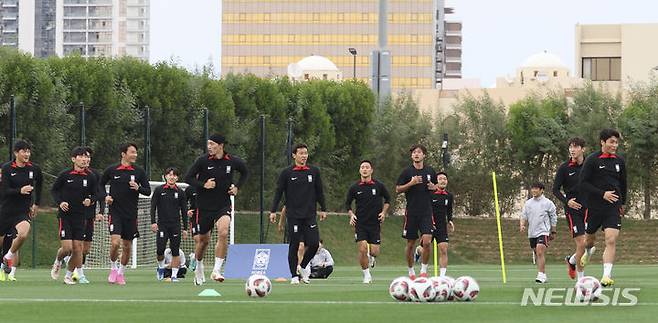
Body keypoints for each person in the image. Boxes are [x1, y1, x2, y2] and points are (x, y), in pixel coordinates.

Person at [185, 134, 248, 285]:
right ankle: (199, 266)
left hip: (223, 205)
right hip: (204, 207)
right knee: (203, 241)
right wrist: (203, 184)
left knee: (224, 231)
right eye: (208, 144)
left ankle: (216, 270)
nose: (209, 147)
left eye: (212, 144)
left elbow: (245, 172)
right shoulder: (202, 161)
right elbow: (188, 178)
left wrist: (237, 187)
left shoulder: (232, 161)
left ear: (221, 145)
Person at [269, 143, 327, 284]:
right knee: (294, 245)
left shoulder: (314, 171)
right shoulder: (287, 173)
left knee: (314, 244)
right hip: (293, 215)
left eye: (305, 153)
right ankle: (293, 276)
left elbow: (319, 191)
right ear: (294, 155)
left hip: (309, 215)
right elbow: (278, 192)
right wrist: (273, 211)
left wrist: (324, 208)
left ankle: (302, 266)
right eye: (301, 153)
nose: (304, 156)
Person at [579, 129, 626, 287]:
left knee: (611, 239)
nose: (615, 145)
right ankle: (588, 251)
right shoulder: (592, 160)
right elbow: (583, 183)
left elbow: (623, 184)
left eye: (616, 142)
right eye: (612, 142)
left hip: (613, 207)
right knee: (589, 240)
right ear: (602, 142)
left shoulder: (620, 161)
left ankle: (606, 276)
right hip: (594, 207)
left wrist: (622, 203)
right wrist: (602, 194)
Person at [100, 143, 151, 285]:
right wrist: (106, 196)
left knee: (127, 246)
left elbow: (147, 191)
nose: (135, 155)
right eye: (132, 152)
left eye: (136, 152)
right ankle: (113, 268)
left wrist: (138, 188)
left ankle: (121, 272)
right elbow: (100, 184)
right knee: (115, 243)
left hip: (131, 214)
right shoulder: (112, 170)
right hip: (115, 212)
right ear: (123, 154)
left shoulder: (139, 172)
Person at [51, 147, 100, 285]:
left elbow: (97, 193)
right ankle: (58, 260)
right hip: (65, 216)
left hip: (81, 216)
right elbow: (54, 190)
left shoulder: (90, 176)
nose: (85, 159)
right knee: (67, 249)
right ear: (73, 159)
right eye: (82, 156)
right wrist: (60, 202)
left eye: (87, 157)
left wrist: (91, 200)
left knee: (78, 249)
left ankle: (68, 276)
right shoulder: (65, 175)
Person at [0, 140, 43, 278]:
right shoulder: (6, 168)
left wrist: (36, 203)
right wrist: (20, 190)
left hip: (22, 211)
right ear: (16, 153)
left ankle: (8, 256)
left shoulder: (34, 169)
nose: (27, 154)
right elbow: (5, 191)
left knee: (23, 234)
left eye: (28, 151)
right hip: (5, 210)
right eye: (24, 151)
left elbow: (40, 183)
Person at [395, 144, 437, 279]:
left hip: (426, 212)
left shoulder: (430, 171)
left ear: (424, 155)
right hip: (411, 212)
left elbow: (437, 187)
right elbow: (398, 189)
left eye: (419, 152)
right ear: (411, 156)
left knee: (426, 242)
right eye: (414, 152)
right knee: (410, 243)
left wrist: (433, 187)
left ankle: (424, 271)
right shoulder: (407, 172)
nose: (416, 154)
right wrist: (411, 183)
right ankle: (411, 271)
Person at [345, 160, 390, 283]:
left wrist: (383, 213)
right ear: (360, 170)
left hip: (375, 223)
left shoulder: (378, 185)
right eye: (362, 167)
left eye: (367, 167)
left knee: (374, 251)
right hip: (360, 223)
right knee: (363, 248)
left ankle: (372, 257)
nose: (365, 169)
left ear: (371, 170)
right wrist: (351, 215)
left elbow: (388, 199)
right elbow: (347, 204)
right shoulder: (355, 187)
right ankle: (366, 275)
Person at [552, 137, 587, 280]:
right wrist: (567, 202)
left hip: (590, 209)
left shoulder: (589, 165)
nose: (572, 150)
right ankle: (581, 280)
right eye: (570, 147)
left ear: (583, 149)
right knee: (582, 243)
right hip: (573, 211)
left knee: (589, 244)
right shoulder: (564, 168)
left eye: (576, 147)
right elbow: (555, 190)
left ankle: (572, 261)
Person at [151, 167, 188, 282]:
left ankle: (174, 275)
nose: (172, 177)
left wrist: (185, 228)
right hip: (162, 225)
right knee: (160, 249)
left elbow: (184, 211)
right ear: (165, 176)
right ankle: (161, 268)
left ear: (177, 177)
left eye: (174, 175)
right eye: (169, 175)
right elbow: (153, 207)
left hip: (175, 225)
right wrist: (153, 222)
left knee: (175, 250)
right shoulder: (159, 190)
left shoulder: (180, 192)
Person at [520, 182, 557, 284]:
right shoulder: (528, 203)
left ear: (542, 190)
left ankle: (540, 275)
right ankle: (543, 275)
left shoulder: (548, 203)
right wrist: (522, 225)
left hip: (543, 231)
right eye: (533, 188)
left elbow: (553, 217)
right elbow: (523, 216)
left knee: (540, 250)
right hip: (532, 232)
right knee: (537, 253)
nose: (534, 191)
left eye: (536, 189)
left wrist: (553, 231)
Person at [430, 172, 455, 277]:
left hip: (441, 226)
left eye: (445, 179)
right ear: (436, 181)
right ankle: (418, 251)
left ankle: (442, 277)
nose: (443, 181)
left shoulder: (449, 196)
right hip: (429, 225)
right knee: (423, 249)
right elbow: (427, 210)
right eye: (440, 179)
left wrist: (450, 220)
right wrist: (430, 222)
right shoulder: (430, 194)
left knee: (443, 249)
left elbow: (449, 210)